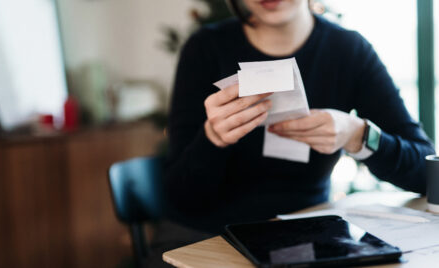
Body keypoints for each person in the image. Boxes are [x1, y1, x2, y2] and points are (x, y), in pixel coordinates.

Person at [164, 0, 434, 238]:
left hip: (306, 233)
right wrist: (212, 139)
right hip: (208, 237)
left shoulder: (348, 50)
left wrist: (357, 135)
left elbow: (428, 177)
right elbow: (179, 197)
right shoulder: (204, 49)